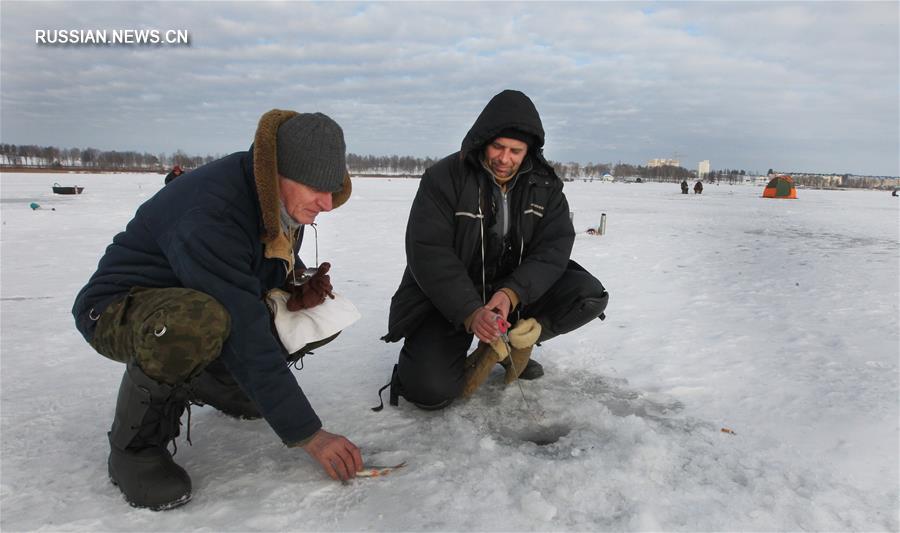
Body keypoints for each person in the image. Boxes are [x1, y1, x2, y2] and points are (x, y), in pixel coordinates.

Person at [72, 110, 363, 511]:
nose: (327, 204)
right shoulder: (214, 212)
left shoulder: (275, 201)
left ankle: (217, 383)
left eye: (332, 189)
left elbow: (247, 279)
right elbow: (242, 324)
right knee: (199, 322)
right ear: (280, 172)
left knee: (316, 316)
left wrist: (291, 290)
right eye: (317, 188)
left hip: (197, 299)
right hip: (117, 309)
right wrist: (310, 434)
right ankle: (135, 447)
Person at [380, 90, 609, 410]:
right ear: (482, 140)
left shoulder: (545, 185)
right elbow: (428, 250)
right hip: (451, 297)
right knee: (429, 391)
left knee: (588, 294)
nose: (505, 158)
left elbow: (554, 247)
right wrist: (472, 311)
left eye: (516, 150)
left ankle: (515, 343)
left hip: (513, 289)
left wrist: (512, 293)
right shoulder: (444, 178)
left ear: (529, 150)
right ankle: (439, 357)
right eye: (498, 146)